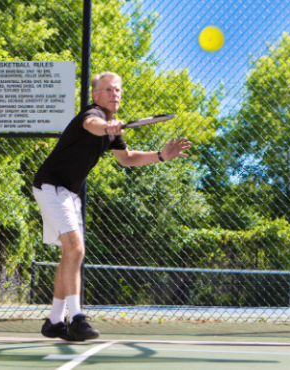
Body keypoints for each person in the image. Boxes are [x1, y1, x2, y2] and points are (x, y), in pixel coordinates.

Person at [33, 71, 191, 341]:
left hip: (68, 193)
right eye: (108, 89)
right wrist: (107, 126)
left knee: (69, 255)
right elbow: (92, 125)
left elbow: (126, 159)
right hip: (51, 186)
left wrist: (161, 156)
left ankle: (55, 321)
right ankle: (77, 318)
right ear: (96, 95)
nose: (114, 93)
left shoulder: (113, 128)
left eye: (117, 89)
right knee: (76, 249)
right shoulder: (92, 114)